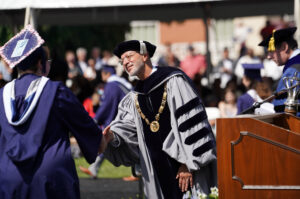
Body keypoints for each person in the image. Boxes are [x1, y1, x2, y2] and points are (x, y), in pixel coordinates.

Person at [102, 40, 217, 198]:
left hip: (183, 167)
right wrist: (113, 137)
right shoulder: (135, 97)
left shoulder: (174, 81)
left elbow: (192, 124)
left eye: (129, 56)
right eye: (122, 60)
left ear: (145, 56)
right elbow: (128, 129)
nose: (125, 62)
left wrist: (187, 163)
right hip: (156, 170)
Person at [0, 25, 104, 199]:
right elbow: (90, 134)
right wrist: (101, 140)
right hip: (52, 180)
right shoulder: (56, 92)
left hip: (8, 179)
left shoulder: (2, 95)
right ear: (41, 63)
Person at [80, 64, 132, 178]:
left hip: (129, 117)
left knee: (109, 139)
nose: (101, 75)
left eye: (102, 73)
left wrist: (96, 119)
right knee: (108, 141)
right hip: (128, 116)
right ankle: (93, 168)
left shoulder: (112, 85)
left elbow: (108, 106)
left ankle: (138, 170)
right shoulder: (118, 84)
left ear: (107, 74)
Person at [258, 27, 300, 116]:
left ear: (284, 47)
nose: (268, 57)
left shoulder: (292, 71)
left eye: (271, 51)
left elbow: (282, 108)